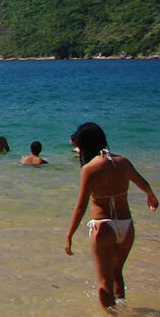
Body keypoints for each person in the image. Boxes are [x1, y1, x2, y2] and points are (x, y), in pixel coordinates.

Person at [64, 122, 158, 310]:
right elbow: (143, 182)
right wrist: (151, 196)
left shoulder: (89, 169)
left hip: (102, 226)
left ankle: (113, 315)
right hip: (126, 226)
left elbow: (81, 206)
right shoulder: (122, 162)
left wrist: (69, 235)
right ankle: (122, 310)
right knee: (117, 274)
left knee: (103, 283)